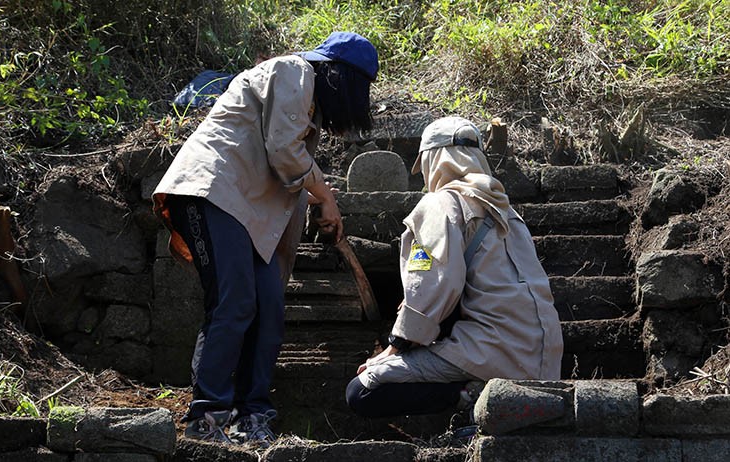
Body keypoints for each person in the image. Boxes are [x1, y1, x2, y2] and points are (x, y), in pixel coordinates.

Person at [152, 32, 378, 445]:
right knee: (234, 301)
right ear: (339, 77)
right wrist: (326, 196)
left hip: (246, 210)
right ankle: (207, 418)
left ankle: (252, 415)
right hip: (213, 192)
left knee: (268, 308)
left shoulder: (309, 104)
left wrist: (319, 199)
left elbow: (288, 169)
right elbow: (284, 151)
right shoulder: (294, 70)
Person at [346, 116, 563, 419]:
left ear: (434, 159)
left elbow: (433, 285)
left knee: (362, 391)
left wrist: (393, 348)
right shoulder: (508, 212)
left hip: (493, 352)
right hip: (544, 359)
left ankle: (471, 397)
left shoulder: (441, 204)